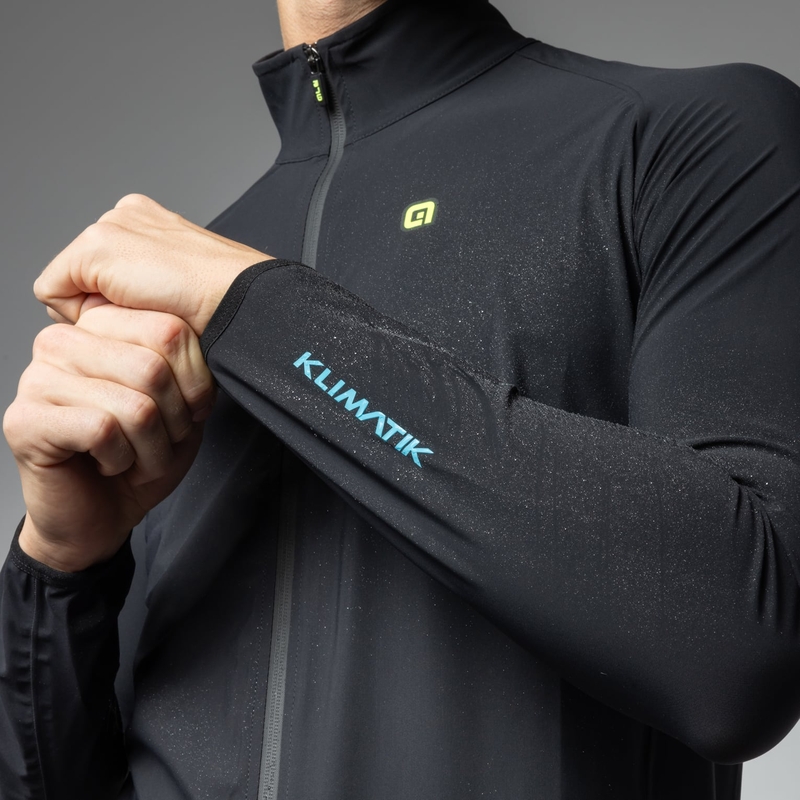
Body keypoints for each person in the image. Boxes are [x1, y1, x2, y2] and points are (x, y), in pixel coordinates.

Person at [2, 0, 800, 797]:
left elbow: (737, 647)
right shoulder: (164, 311)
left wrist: (257, 314)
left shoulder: (685, 139)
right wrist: (60, 569)